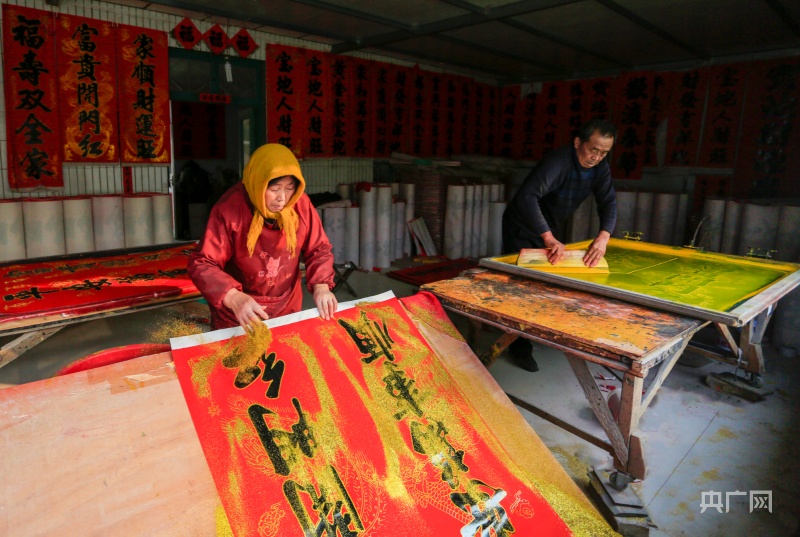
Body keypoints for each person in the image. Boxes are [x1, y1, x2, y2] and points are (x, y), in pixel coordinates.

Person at [502, 119, 618, 372]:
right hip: (522, 225)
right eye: (593, 149)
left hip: (551, 226)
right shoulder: (559, 162)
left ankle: (536, 331)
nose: (597, 157)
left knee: (547, 283)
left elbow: (608, 201)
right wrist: (548, 237)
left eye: (604, 152)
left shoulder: (600, 167)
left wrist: (604, 236)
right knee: (520, 287)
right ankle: (519, 348)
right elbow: (528, 197)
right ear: (578, 142)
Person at [188, 143, 338, 331]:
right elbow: (203, 263)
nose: (282, 198)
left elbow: (319, 248)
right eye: (274, 189)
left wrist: (321, 286)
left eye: (289, 188)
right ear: (259, 183)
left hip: (286, 303)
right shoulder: (229, 209)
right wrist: (233, 297)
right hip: (240, 309)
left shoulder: (299, 204)